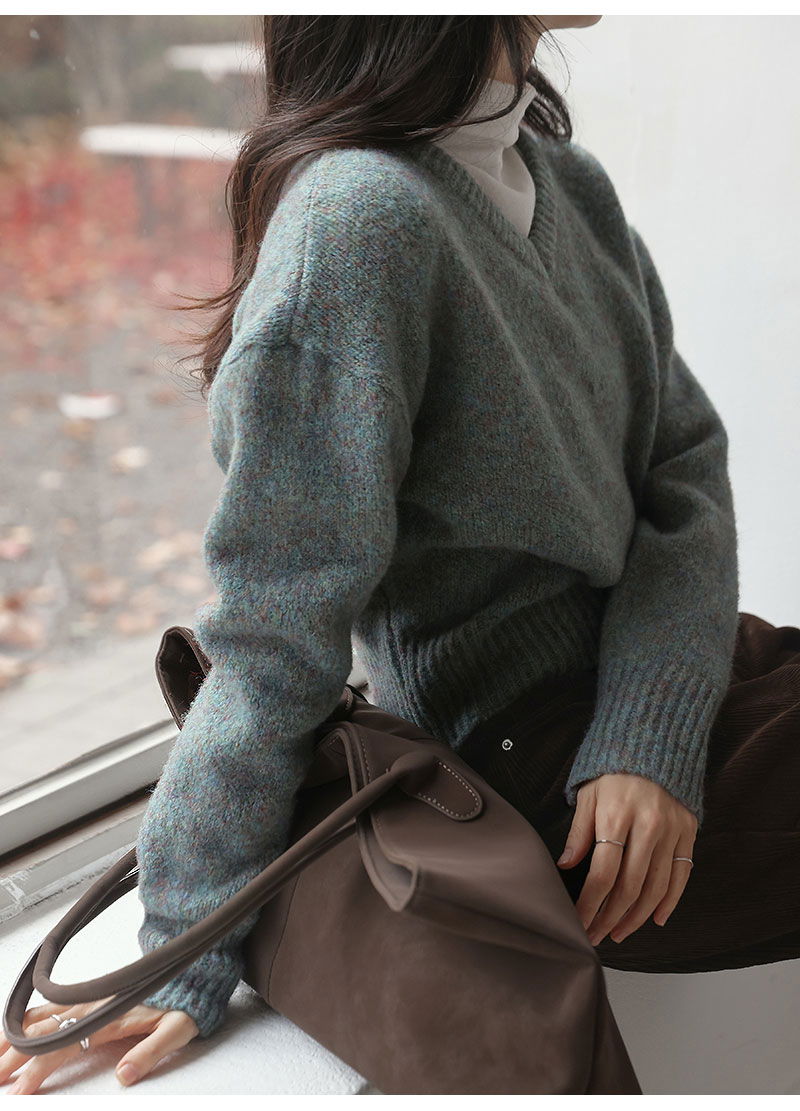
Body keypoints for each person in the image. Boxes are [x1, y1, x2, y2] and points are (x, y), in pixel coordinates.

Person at [4, 13, 799, 1096]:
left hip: (659, 698)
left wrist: (646, 729)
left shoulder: (562, 180)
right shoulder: (358, 224)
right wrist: (183, 939)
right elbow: (273, 637)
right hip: (538, 773)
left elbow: (682, 464)